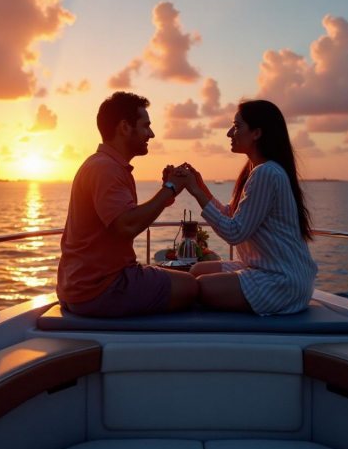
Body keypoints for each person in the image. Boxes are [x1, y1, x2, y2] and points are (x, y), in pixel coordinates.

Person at [56, 91, 199, 317]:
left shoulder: (102, 165)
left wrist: (167, 190)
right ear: (124, 127)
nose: (151, 134)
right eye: (145, 126)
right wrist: (170, 188)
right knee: (191, 285)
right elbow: (127, 225)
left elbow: (128, 218)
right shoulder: (106, 169)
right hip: (102, 289)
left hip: (80, 287)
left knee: (185, 277)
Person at [180, 100, 318, 315]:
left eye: (236, 126)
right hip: (266, 268)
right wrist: (202, 188)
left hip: (282, 281)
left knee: (199, 287)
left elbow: (234, 233)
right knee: (197, 270)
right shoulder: (258, 171)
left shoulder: (266, 173)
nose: (229, 133)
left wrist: (196, 193)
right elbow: (231, 215)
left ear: (256, 133)